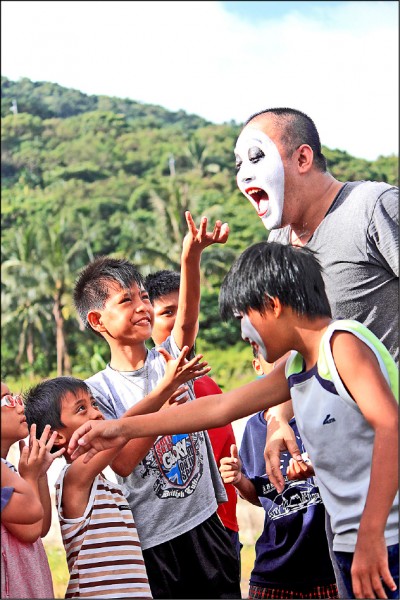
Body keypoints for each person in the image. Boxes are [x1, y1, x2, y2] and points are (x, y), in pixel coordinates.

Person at [68, 241, 399, 600]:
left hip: (382, 540)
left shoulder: (341, 345)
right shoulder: (297, 366)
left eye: (245, 317)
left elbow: (391, 428)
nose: (243, 334)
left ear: (272, 306)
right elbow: (221, 407)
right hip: (356, 542)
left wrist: (371, 534)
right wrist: (117, 428)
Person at [72, 212, 241, 599]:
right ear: (98, 321)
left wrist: (191, 256)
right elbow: (123, 462)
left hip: (206, 524)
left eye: (144, 297)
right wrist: (165, 404)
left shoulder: (168, 358)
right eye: (126, 300)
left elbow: (188, 317)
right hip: (154, 541)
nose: (142, 307)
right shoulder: (97, 392)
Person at [233, 107, 399, 494]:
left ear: (303, 158)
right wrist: (277, 421)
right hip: (345, 467)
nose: (244, 174)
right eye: (239, 164)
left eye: (257, 157)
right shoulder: (279, 245)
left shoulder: (372, 207)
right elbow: (294, 358)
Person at [219, 347, 338, 598]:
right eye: (274, 358)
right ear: (257, 366)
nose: (284, 363)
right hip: (274, 573)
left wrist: (318, 470)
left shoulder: (324, 410)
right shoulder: (254, 427)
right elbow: (259, 496)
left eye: (290, 355)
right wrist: (239, 480)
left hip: (330, 568)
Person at [144, 268, 241, 559]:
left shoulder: (209, 385)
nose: (179, 320)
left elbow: (227, 456)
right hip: (180, 535)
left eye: (185, 308)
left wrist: (237, 473)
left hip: (224, 526)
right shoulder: (146, 394)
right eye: (167, 312)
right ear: (146, 322)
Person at [1, 380, 63, 599]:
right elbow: (30, 530)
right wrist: (29, 476)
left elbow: (42, 526)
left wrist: (39, 474)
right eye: (7, 400)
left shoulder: (7, 469)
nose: (20, 406)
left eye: (16, 398)